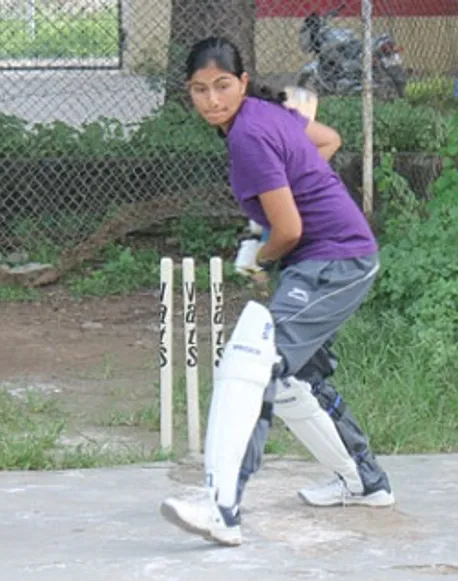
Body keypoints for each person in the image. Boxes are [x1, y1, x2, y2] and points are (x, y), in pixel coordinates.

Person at [159, 36, 393, 547]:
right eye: (200, 89)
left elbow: (286, 230)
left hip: (336, 258)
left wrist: (257, 255)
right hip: (330, 256)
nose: (212, 100)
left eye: (222, 86)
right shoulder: (265, 114)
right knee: (298, 376)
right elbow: (327, 142)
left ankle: (223, 504)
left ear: (242, 83)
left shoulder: (248, 136)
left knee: (255, 362)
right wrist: (303, 191)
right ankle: (363, 481)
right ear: (189, 92)